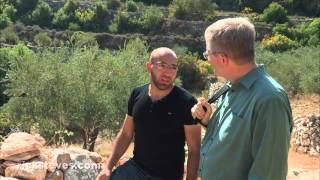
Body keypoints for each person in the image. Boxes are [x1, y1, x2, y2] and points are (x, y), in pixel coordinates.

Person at [191, 17, 293, 180]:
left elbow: (268, 174)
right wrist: (208, 121)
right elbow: (237, 140)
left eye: (207, 54)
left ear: (223, 58)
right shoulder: (234, 86)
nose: (207, 59)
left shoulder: (269, 100)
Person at [96, 47, 201, 180]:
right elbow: (126, 134)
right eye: (162, 65)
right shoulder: (137, 94)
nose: (168, 73)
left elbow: (194, 150)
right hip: (135, 169)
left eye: (173, 67)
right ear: (149, 67)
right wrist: (108, 167)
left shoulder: (187, 102)